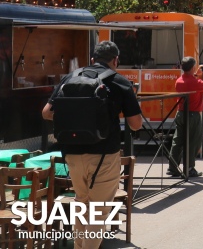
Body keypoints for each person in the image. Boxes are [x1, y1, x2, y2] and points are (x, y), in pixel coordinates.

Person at [42, 41, 143, 249]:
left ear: (92, 60)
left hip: (72, 154)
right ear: (115, 60)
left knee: (82, 204)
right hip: (104, 156)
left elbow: (46, 113)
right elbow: (135, 124)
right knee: (98, 212)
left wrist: (75, 120)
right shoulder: (120, 82)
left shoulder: (70, 78)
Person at [166, 56, 203, 177]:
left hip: (180, 113)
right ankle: (189, 167)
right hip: (193, 114)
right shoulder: (195, 82)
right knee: (193, 141)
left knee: (177, 140)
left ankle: (172, 167)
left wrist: (195, 73)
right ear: (193, 67)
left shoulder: (179, 81)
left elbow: (190, 82)